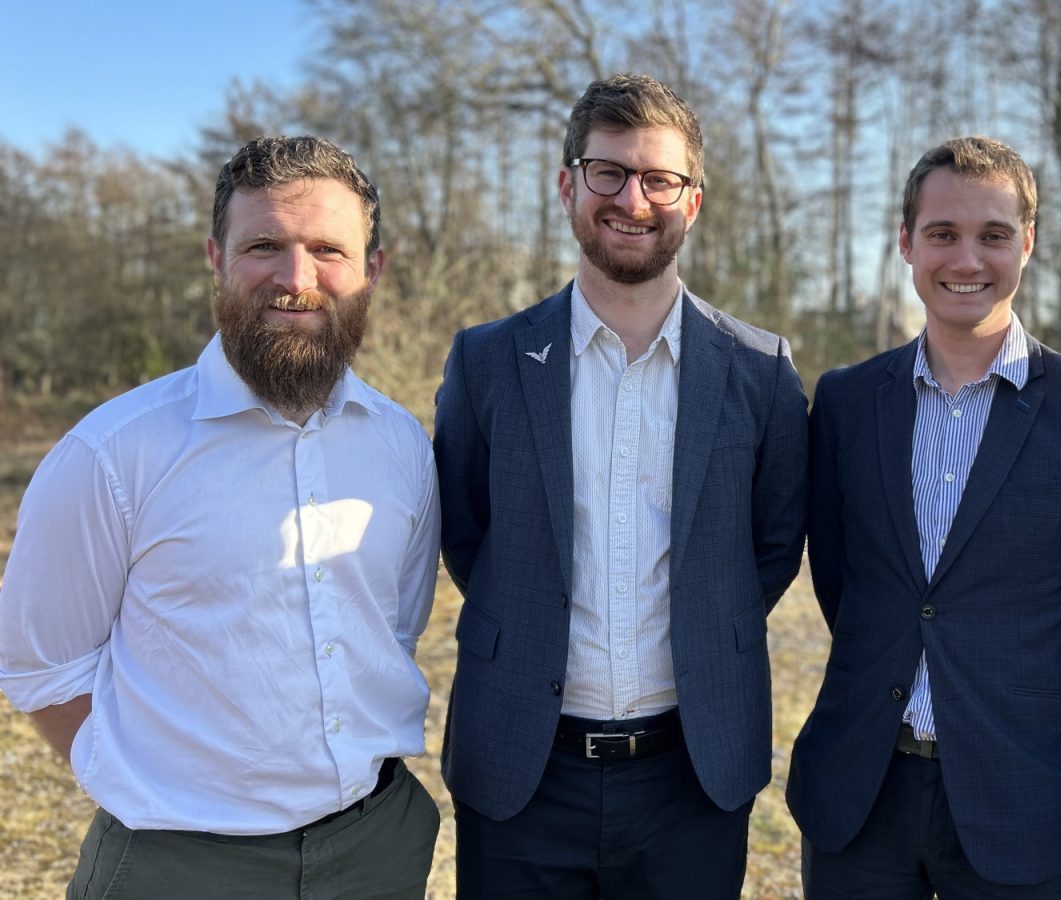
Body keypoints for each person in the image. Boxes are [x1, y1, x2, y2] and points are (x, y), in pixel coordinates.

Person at [0, 135, 442, 898]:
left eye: (327, 250)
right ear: (215, 257)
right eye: (264, 245)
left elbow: (392, 627)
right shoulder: (112, 453)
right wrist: (160, 786)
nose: (296, 279)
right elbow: (40, 666)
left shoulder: (402, 444)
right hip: (179, 864)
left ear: (372, 270)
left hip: (375, 848)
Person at [433, 73, 807, 899]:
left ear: (693, 202)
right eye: (609, 172)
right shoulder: (487, 361)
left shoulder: (761, 370)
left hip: (692, 771)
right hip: (521, 768)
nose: (632, 199)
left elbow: (772, 547)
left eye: (659, 179)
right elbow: (470, 536)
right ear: (569, 185)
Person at [786, 136, 1061, 899]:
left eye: (993, 235)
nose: (968, 258)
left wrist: (1023, 696)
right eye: (943, 234)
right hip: (860, 789)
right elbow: (843, 587)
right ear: (905, 243)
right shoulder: (847, 403)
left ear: (1028, 244)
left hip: (1020, 792)